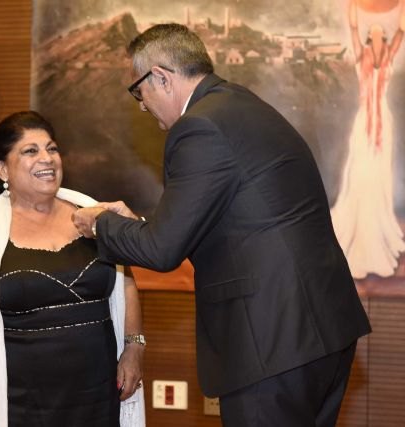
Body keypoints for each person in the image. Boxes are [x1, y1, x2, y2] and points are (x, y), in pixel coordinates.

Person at [73, 24, 372, 427]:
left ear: (161, 77)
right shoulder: (241, 106)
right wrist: (138, 224)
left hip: (271, 341)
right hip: (322, 329)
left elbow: (162, 250)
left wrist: (99, 225)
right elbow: (229, 220)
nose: (141, 106)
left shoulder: (198, 127)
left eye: (138, 91)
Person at [0, 111, 145, 427]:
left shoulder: (93, 218)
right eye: (30, 150)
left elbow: (125, 282)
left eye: (52, 148)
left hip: (99, 394)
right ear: (2, 169)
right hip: (21, 401)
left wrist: (134, 347)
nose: (47, 158)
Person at [330, 0, 405, 279]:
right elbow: (352, 28)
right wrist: (353, 7)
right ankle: (360, 228)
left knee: (378, 172)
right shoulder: (361, 61)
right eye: (372, 35)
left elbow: (400, 34)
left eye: (380, 36)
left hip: (383, 123)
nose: (376, 38)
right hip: (365, 122)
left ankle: (377, 226)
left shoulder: (388, 60)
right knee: (360, 171)